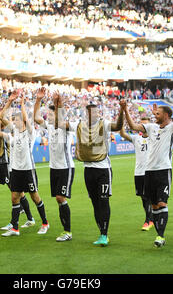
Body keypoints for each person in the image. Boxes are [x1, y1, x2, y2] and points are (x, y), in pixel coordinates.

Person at [124, 82, 173, 248]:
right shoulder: (151, 127)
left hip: (163, 171)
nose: (155, 115)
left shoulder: (172, 129)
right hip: (149, 172)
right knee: (154, 205)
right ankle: (158, 233)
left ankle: (161, 236)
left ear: (167, 116)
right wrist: (125, 109)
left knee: (162, 203)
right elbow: (133, 126)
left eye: (159, 113)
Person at [54, 94, 125, 247]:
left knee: (103, 200)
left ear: (98, 112)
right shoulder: (80, 125)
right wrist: (58, 105)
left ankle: (104, 234)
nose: (92, 114)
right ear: (86, 113)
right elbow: (60, 123)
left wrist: (122, 111)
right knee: (95, 203)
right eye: (89, 112)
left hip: (103, 169)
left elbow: (118, 126)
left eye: (94, 111)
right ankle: (101, 231)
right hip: (88, 169)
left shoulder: (104, 124)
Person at [0, 90, 49, 237]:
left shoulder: (30, 133)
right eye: (13, 120)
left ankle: (45, 223)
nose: (14, 122)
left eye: (16, 119)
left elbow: (26, 118)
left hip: (28, 169)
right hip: (16, 170)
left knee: (34, 196)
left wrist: (22, 105)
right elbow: (1, 117)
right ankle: (15, 228)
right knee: (14, 197)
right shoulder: (14, 131)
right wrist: (9, 102)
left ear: (23, 121)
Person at [34, 87, 74, 242]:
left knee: (60, 197)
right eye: (48, 114)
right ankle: (66, 230)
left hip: (66, 167)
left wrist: (58, 102)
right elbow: (36, 118)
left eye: (51, 114)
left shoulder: (64, 126)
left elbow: (61, 113)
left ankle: (67, 231)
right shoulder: (49, 127)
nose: (48, 116)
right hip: (54, 167)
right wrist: (38, 99)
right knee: (59, 199)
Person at [119, 116, 153, 231]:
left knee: (149, 196)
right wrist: (121, 122)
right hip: (138, 172)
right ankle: (151, 218)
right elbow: (123, 134)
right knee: (143, 197)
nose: (143, 127)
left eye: (145, 125)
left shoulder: (154, 138)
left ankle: (148, 220)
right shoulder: (136, 138)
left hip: (150, 171)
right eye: (141, 125)